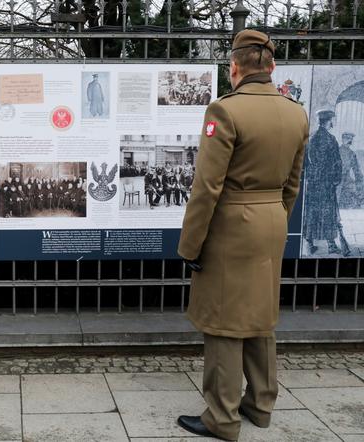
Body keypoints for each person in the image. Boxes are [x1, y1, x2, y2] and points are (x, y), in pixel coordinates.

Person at [176, 30, 308, 441]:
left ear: (234, 67)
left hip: (231, 227)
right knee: (260, 318)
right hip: (272, 222)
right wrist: (273, 217)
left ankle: (222, 417)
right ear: (271, 67)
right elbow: (292, 184)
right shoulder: (296, 113)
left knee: (224, 321)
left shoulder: (225, 111)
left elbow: (207, 187)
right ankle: (260, 406)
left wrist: (190, 244)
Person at [302, 109, 342, 254]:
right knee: (328, 212)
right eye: (333, 119)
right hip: (326, 183)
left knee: (312, 212)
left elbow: (304, 161)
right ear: (328, 121)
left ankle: (309, 243)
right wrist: (336, 179)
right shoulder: (331, 139)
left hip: (313, 183)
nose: (334, 122)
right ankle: (331, 245)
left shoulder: (311, 137)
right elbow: (337, 162)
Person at [337, 132, 363, 209]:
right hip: (336, 178)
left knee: (353, 191)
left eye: (350, 139)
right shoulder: (336, 151)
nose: (349, 141)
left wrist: (360, 180)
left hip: (346, 178)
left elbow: (357, 170)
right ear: (342, 139)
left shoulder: (352, 154)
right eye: (347, 139)